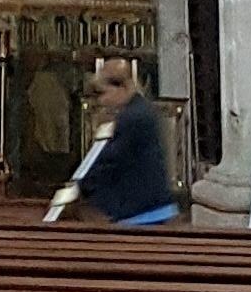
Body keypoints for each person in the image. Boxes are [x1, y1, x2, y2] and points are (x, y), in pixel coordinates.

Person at [45, 53, 176, 228]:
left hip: (142, 211)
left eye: (103, 93)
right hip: (146, 208)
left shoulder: (133, 118)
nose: (101, 100)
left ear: (121, 88)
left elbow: (109, 161)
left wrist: (77, 190)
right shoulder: (137, 111)